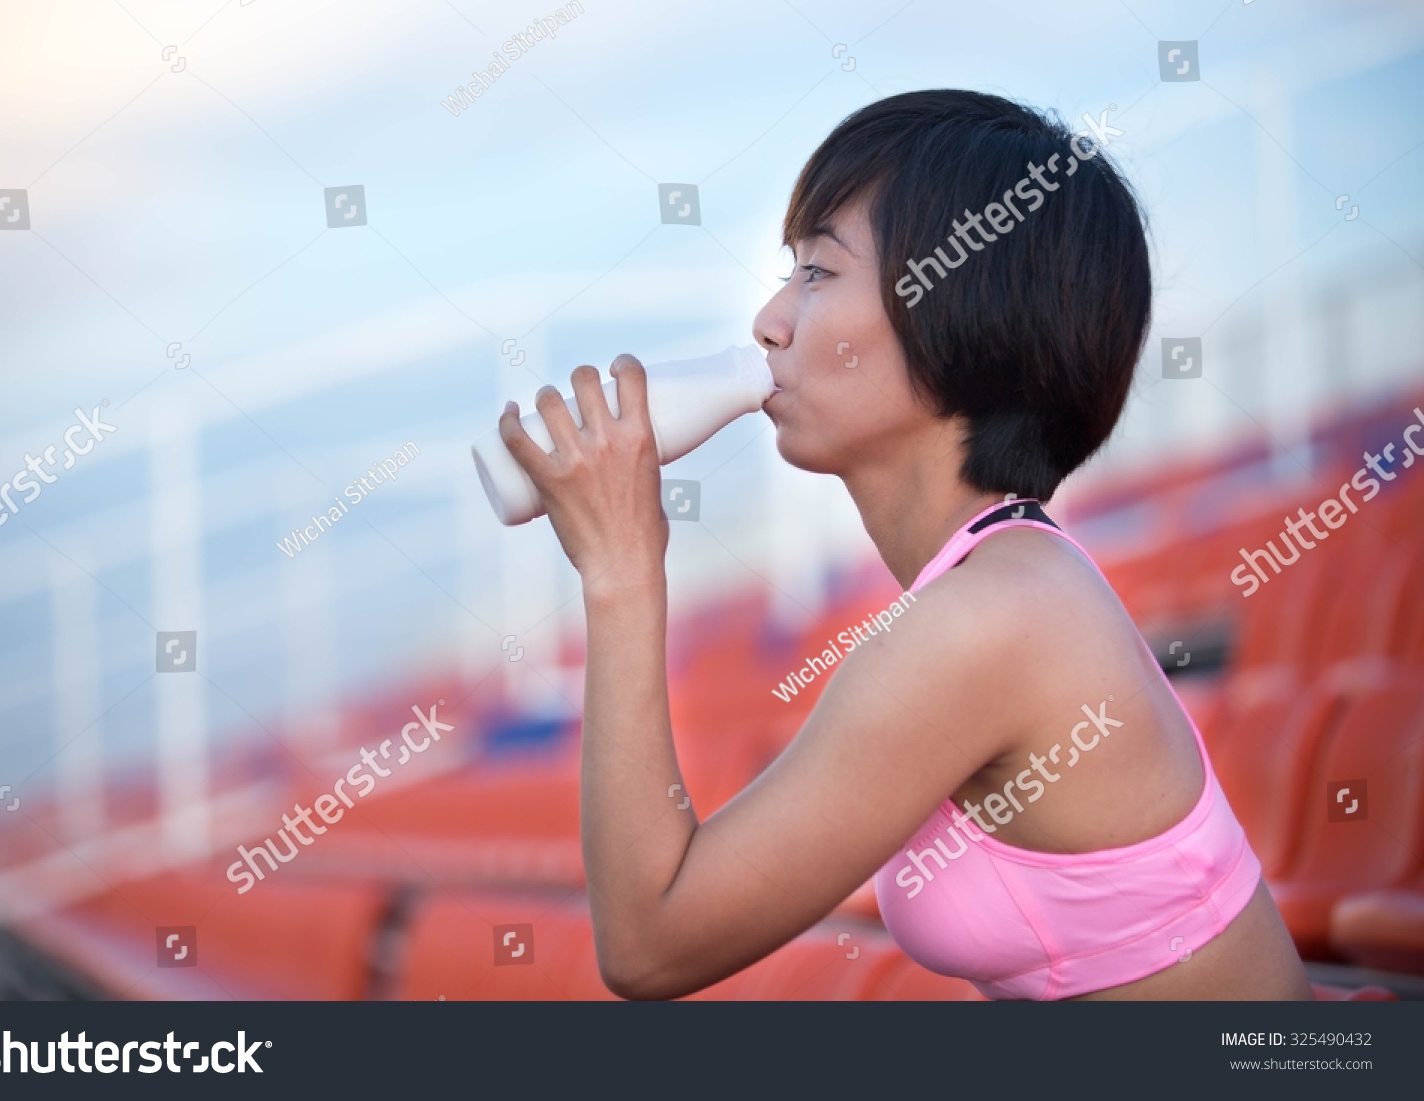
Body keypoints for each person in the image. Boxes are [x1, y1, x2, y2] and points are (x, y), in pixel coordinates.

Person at [496, 89, 1313, 1000]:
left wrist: (619, 570)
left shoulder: (992, 618)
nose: (770, 319)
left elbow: (653, 942)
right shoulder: (999, 581)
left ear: (960, 313)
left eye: (819, 272)